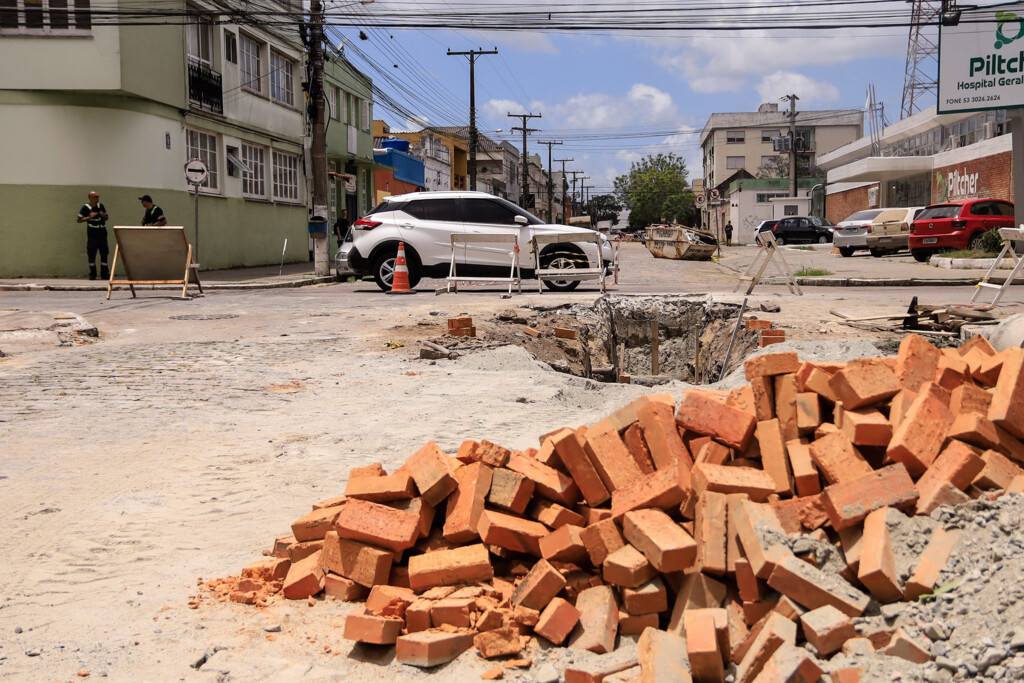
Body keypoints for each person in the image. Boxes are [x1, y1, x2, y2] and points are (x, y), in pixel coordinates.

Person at [76, 191, 109, 280]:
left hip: (102, 232)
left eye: (98, 197)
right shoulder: (85, 208)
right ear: (90, 198)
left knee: (104, 253)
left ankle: (104, 274)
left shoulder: (100, 206)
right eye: (96, 197)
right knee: (91, 253)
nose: (98, 198)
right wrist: (89, 217)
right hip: (92, 234)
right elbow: (78, 220)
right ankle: (92, 274)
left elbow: (106, 218)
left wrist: (102, 215)